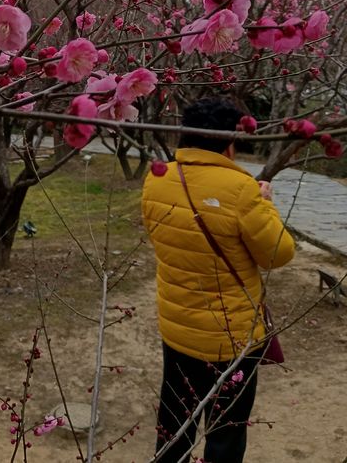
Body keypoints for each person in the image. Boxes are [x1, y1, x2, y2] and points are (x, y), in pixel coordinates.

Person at [141, 97, 295, 463]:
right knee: (226, 430)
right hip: (231, 336)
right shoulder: (242, 190)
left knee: (174, 420)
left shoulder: (157, 177)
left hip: (177, 328)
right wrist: (266, 204)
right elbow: (278, 254)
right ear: (230, 141)